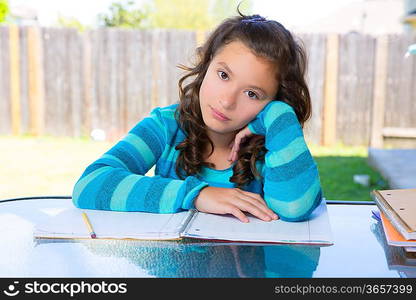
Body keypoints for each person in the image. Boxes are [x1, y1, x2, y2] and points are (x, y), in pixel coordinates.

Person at [72, 7, 323, 223]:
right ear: (206, 65)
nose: (226, 101)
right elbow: (90, 184)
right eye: (223, 75)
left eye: (252, 94)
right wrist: (196, 194)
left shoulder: (274, 144)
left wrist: (279, 114)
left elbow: (295, 208)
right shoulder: (166, 125)